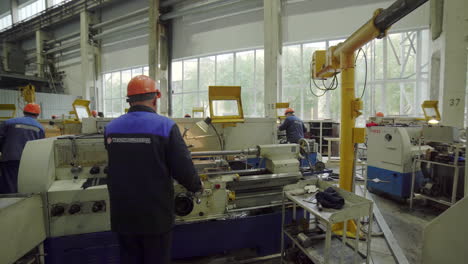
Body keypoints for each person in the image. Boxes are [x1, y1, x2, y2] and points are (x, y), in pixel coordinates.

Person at [104, 75, 202, 264]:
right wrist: (196, 186)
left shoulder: (111, 128)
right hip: (155, 215)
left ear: (129, 100)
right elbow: (182, 167)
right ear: (155, 98)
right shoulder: (165, 126)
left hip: (122, 213)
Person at [0, 103, 45, 194]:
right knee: (25, 184)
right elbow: (41, 147)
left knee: (8, 184)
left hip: (10, 158)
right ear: (37, 114)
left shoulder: (9, 122)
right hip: (29, 161)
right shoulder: (40, 128)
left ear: (24, 112)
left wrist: (4, 150)